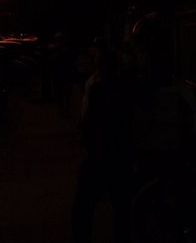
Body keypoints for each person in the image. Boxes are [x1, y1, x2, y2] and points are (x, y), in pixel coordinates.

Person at [71, 39, 135, 243]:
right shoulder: (127, 90)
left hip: (100, 157)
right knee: (122, 208)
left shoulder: (97, 90)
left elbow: (88, 124)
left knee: (83, 208)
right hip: (120, 156)